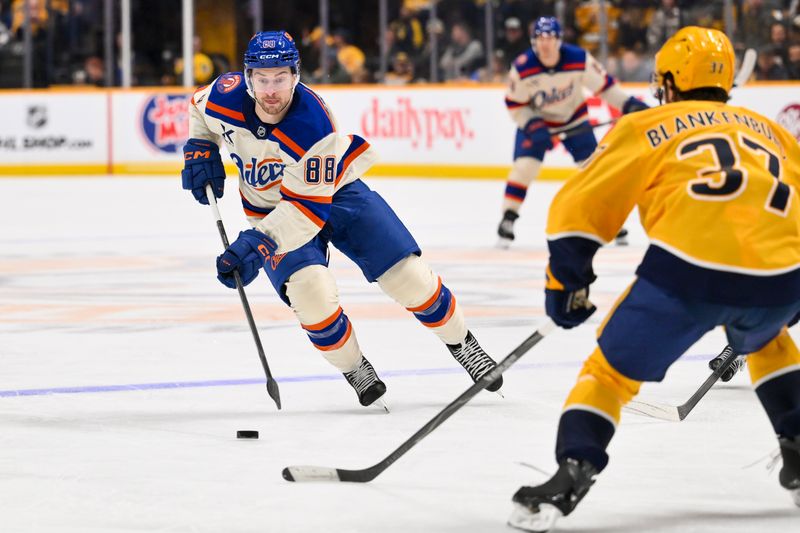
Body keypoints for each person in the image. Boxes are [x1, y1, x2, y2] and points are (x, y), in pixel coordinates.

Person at [508, 27, 800, 532]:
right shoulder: (768, 129)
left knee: (608, 375)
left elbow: (576, 213)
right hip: (782, 276)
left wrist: (566, 283)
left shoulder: (646, 122)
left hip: (687, 275)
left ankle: (573, 469)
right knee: (770, 339)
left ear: (668, 79)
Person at [180, 31, 503, 408]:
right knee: (311, 296)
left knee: (408, 277)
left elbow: (307, 211)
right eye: (262, 79)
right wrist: (200, 146)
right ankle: (355, 367)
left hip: (335, 196)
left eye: (280, 78)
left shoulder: (314, 125)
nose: (271, 90)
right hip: (269, 211)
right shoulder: (223, 94)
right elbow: (197, 110)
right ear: (248, 77)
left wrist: (257, 242)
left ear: (295, 76)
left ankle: (461, 342)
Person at [497, 16, 647, 248]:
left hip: (574, 120)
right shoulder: (523, 66)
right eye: (539, 38)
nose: (545, 44)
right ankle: (508, 218)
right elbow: (515, 104)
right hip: (539, 123)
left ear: (559, 40)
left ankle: (611, 221)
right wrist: (532, 124)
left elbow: (604, 86)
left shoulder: (578, 58)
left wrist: (628, 104)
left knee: (594, 170)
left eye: (549, 38)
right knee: (524, 168)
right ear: (533, 41)